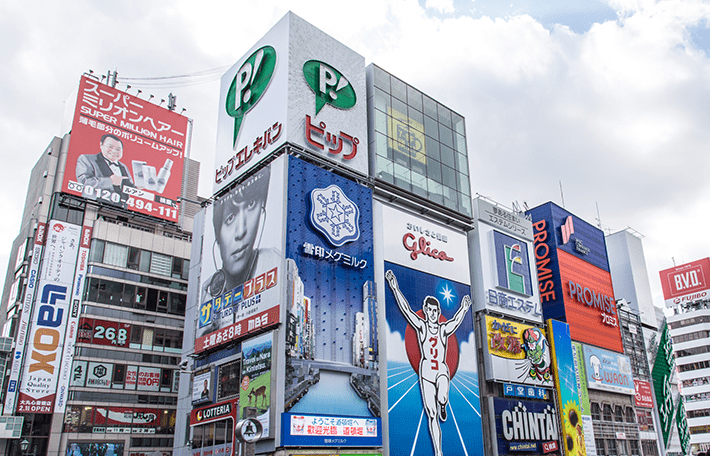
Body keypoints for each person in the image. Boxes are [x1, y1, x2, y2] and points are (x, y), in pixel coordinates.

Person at [385, 270, 471, 456]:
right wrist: (394, 287)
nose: (432, 313)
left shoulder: (442, 329)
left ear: (438, 312)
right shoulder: (421, 327)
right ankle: (438, 451)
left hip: (440, 369)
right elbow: (406, 310)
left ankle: (443, 403)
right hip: (426, 372)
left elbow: (456, 321)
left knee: (441, 397)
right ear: (425, 311)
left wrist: (464, 307)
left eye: (435, 311)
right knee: (431, 415)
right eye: (429, 310)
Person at [199, 165, 278, 336]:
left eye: (251, 205)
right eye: (231, 217)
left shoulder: (275, 262)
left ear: (262, 210)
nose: (241, 231)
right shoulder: (208, 293)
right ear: (217, 235)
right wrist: (203, 333)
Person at [75, 134, 135, 206]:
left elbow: (127, 186)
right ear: (101, 145)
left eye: (118, 149)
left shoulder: (123, 166)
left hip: (121, 209)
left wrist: (137, 188)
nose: (114, 151)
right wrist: (110, 181)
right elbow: (83, 182)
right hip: (94, 205)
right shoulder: (87, 159)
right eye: (110, 147)